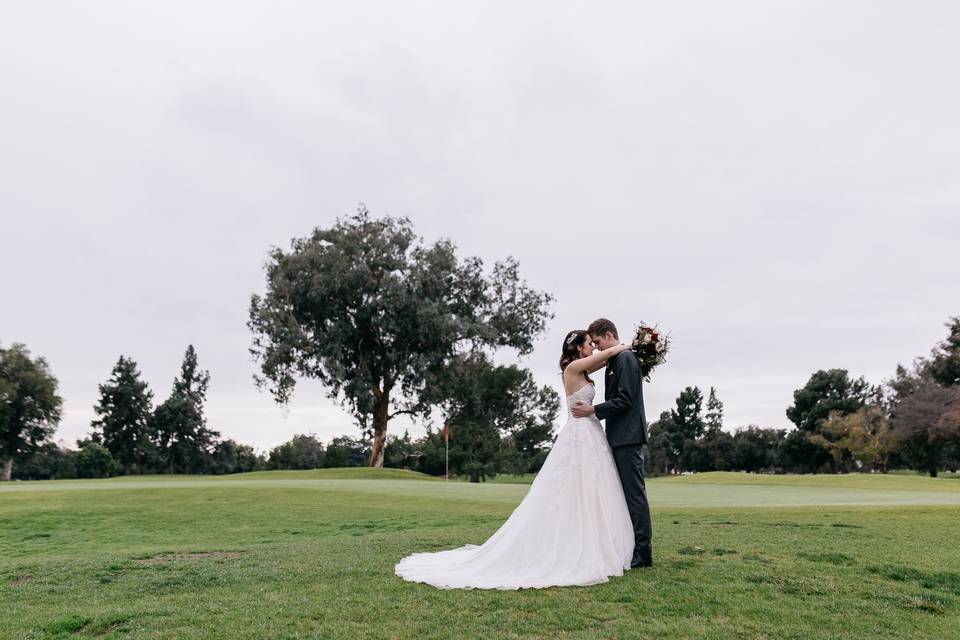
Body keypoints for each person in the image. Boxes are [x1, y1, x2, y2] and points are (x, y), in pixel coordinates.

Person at [394, 330, 634, 589]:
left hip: (590, 433)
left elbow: (605, 359)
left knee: (592, 487)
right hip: (579, 434)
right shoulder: (574, 367)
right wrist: (636, 343)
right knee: (574, 487)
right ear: (577, 348)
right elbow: (609, 353)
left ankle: (595, 541)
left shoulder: (583, 368)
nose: (593, 348)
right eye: (589, 344)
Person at [571, 318, 653, 568]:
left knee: (634, 494)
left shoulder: (626, 360)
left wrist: (593, 410)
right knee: (625, 494)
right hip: (619, 435)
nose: (595, 348)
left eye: (596, 342)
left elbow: (625, 400)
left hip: (628, 436)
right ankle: (630, 546)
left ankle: (643, 552)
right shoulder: (615, 360)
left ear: (608, 335)